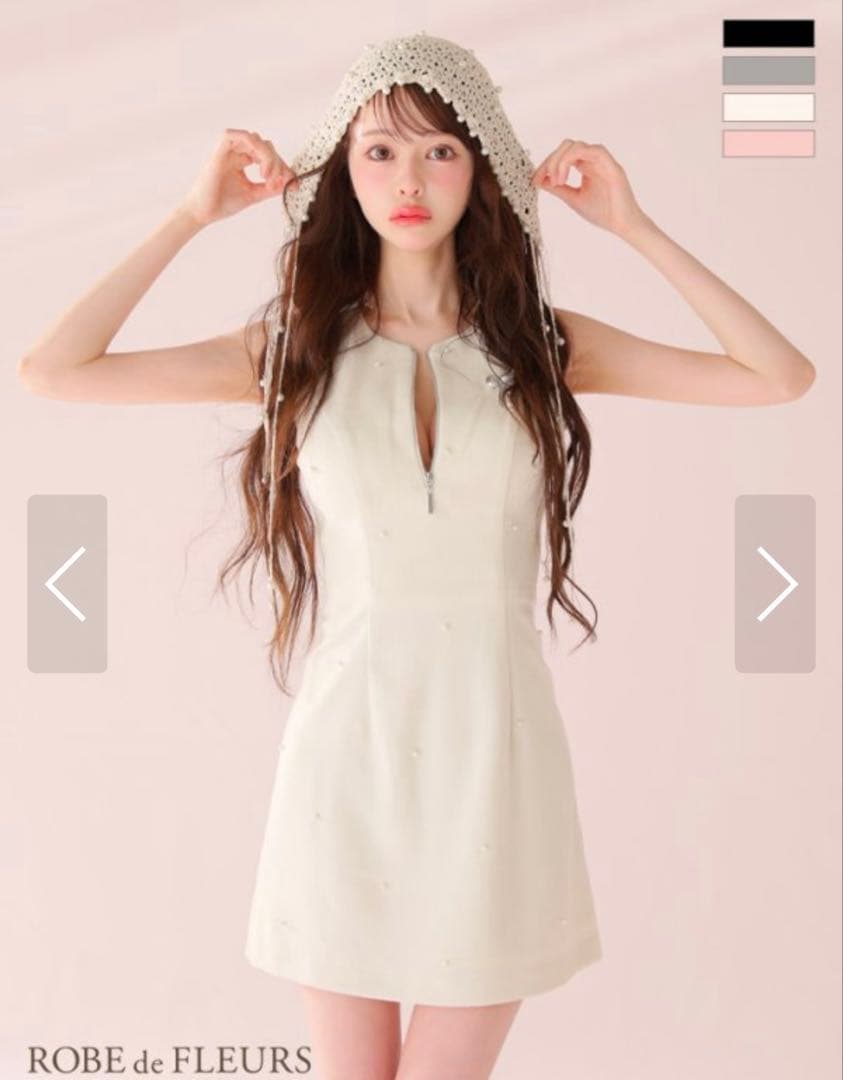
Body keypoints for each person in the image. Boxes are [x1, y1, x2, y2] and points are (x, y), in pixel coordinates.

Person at [18, 31, 815, 1080]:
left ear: (481, 168)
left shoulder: (542, 345)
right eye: (380, 151)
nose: (409, 179)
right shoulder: (293, 350)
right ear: (342, 174)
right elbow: (53, 368)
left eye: (441, 150)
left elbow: (777, 376)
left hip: (498, 759)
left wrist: (635, 227)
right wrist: (188, 216)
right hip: (346, 760)